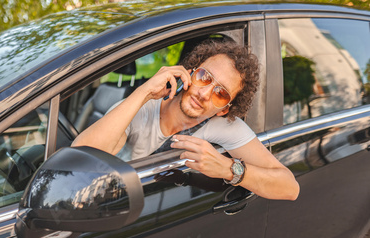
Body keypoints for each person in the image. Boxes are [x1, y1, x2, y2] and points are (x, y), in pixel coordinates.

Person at [72, 39, 300, 201]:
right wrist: (143, 92)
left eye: (220, 93)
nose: (204, 94)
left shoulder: (223, 126)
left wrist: (228, 169)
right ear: (189, 72)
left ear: (224, 110)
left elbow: (289, 187)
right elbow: (79, 159)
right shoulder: (141, 107)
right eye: (204, 77)